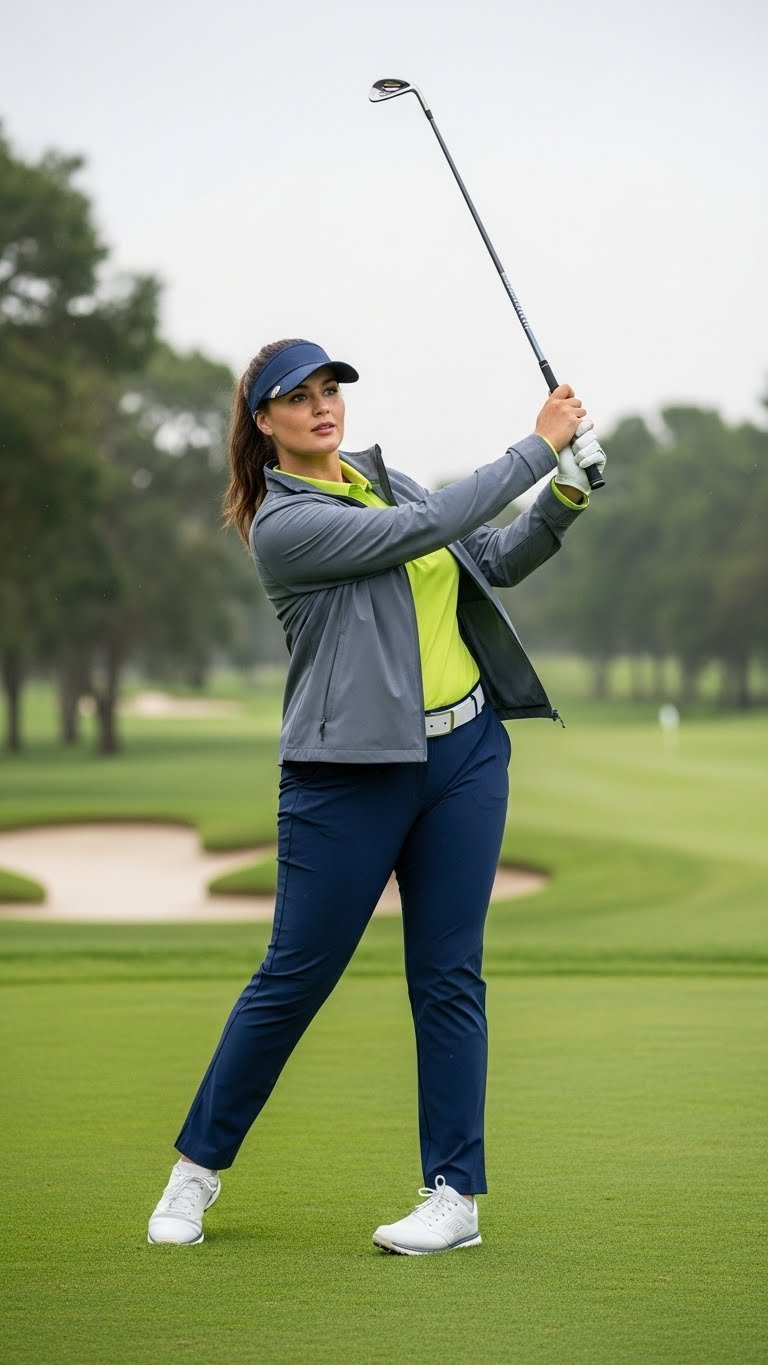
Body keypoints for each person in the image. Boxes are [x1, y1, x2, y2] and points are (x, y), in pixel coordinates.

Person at [147, 338, 606, 1254]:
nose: (322, 405)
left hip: (466, 757)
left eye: (331, 389)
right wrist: (535, 444)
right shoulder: (283, 525)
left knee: (448, 976)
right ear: (263, 421)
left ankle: (454, 1198)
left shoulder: (383, 483)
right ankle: (195, 1171)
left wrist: (563, 495)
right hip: (348, 777)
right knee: (295, 978)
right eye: (299, 396)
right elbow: (418, 534)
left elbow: (490, 558)